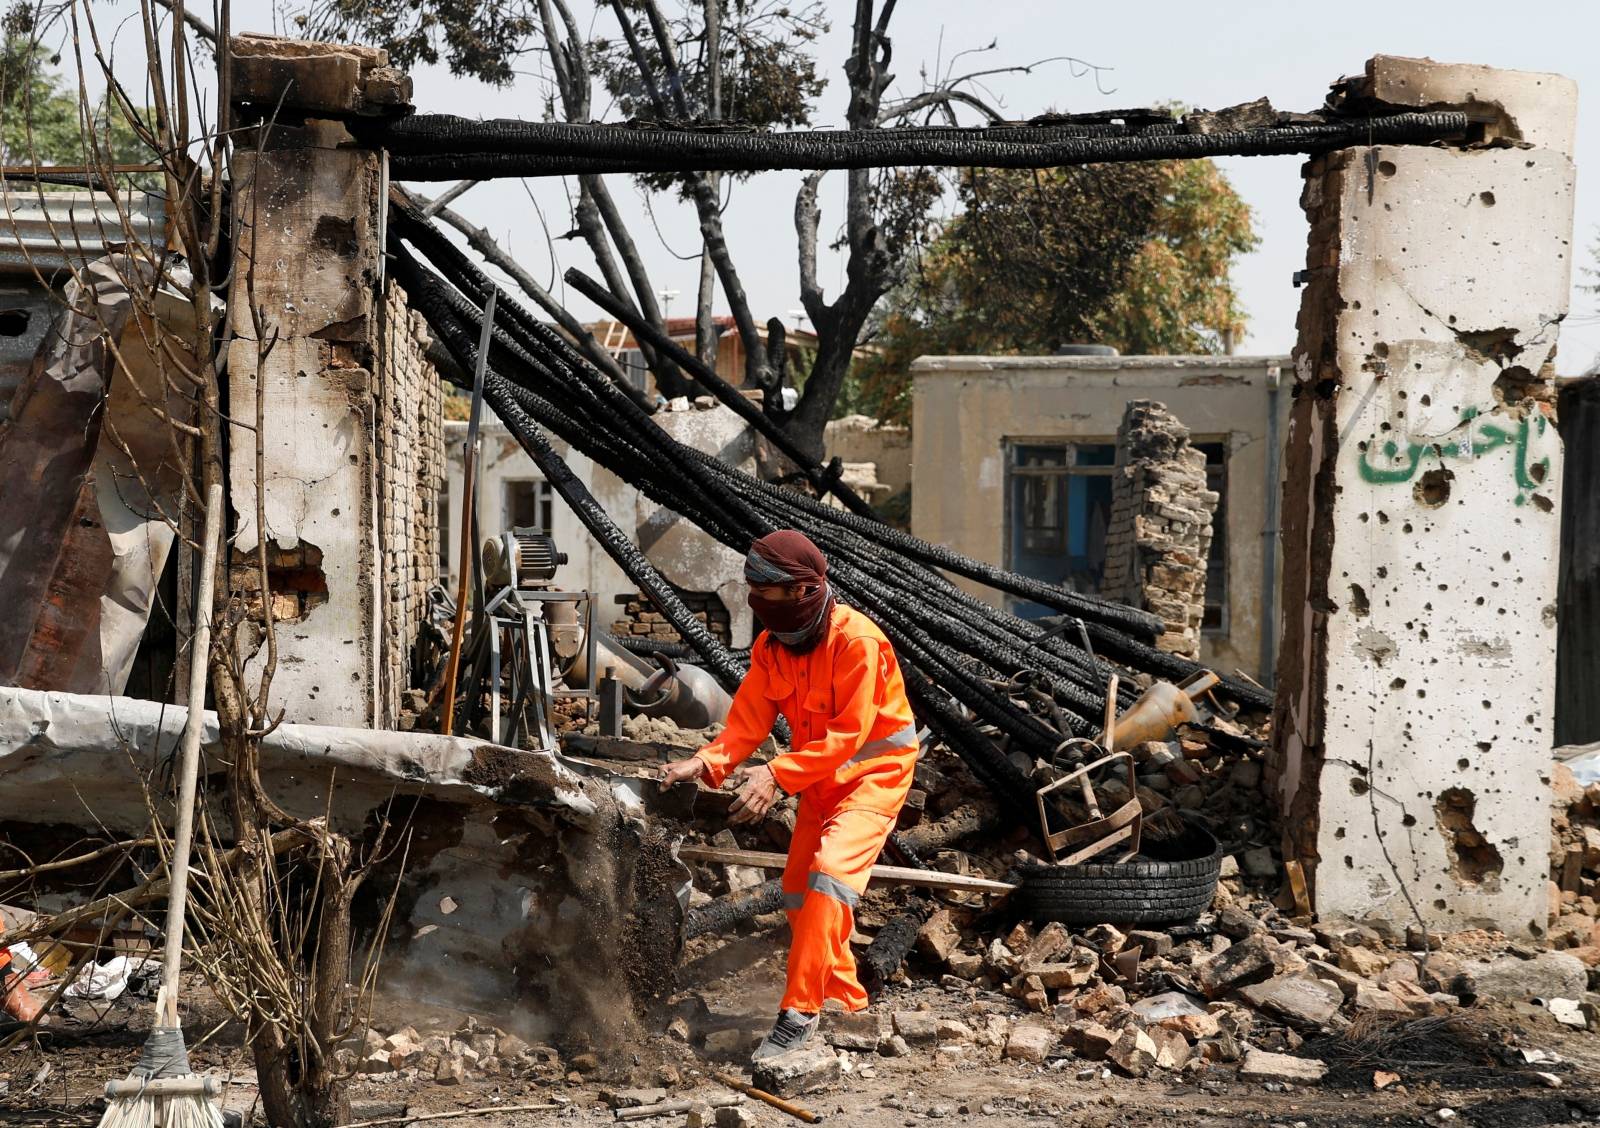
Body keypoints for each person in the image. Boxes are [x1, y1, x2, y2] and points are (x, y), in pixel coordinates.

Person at [660, 530, 919, 1062]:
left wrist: (776, 776)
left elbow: (849, 735)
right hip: (818, 779)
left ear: (804, 591)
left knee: (830, 873)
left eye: (765, 591)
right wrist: (705, 762)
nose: (755, 601)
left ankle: (799, 1011)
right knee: (801, 893)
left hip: (874, 775)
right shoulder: (771, 647)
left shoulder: (857, 643)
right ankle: (846, 1002)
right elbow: (747, 722)